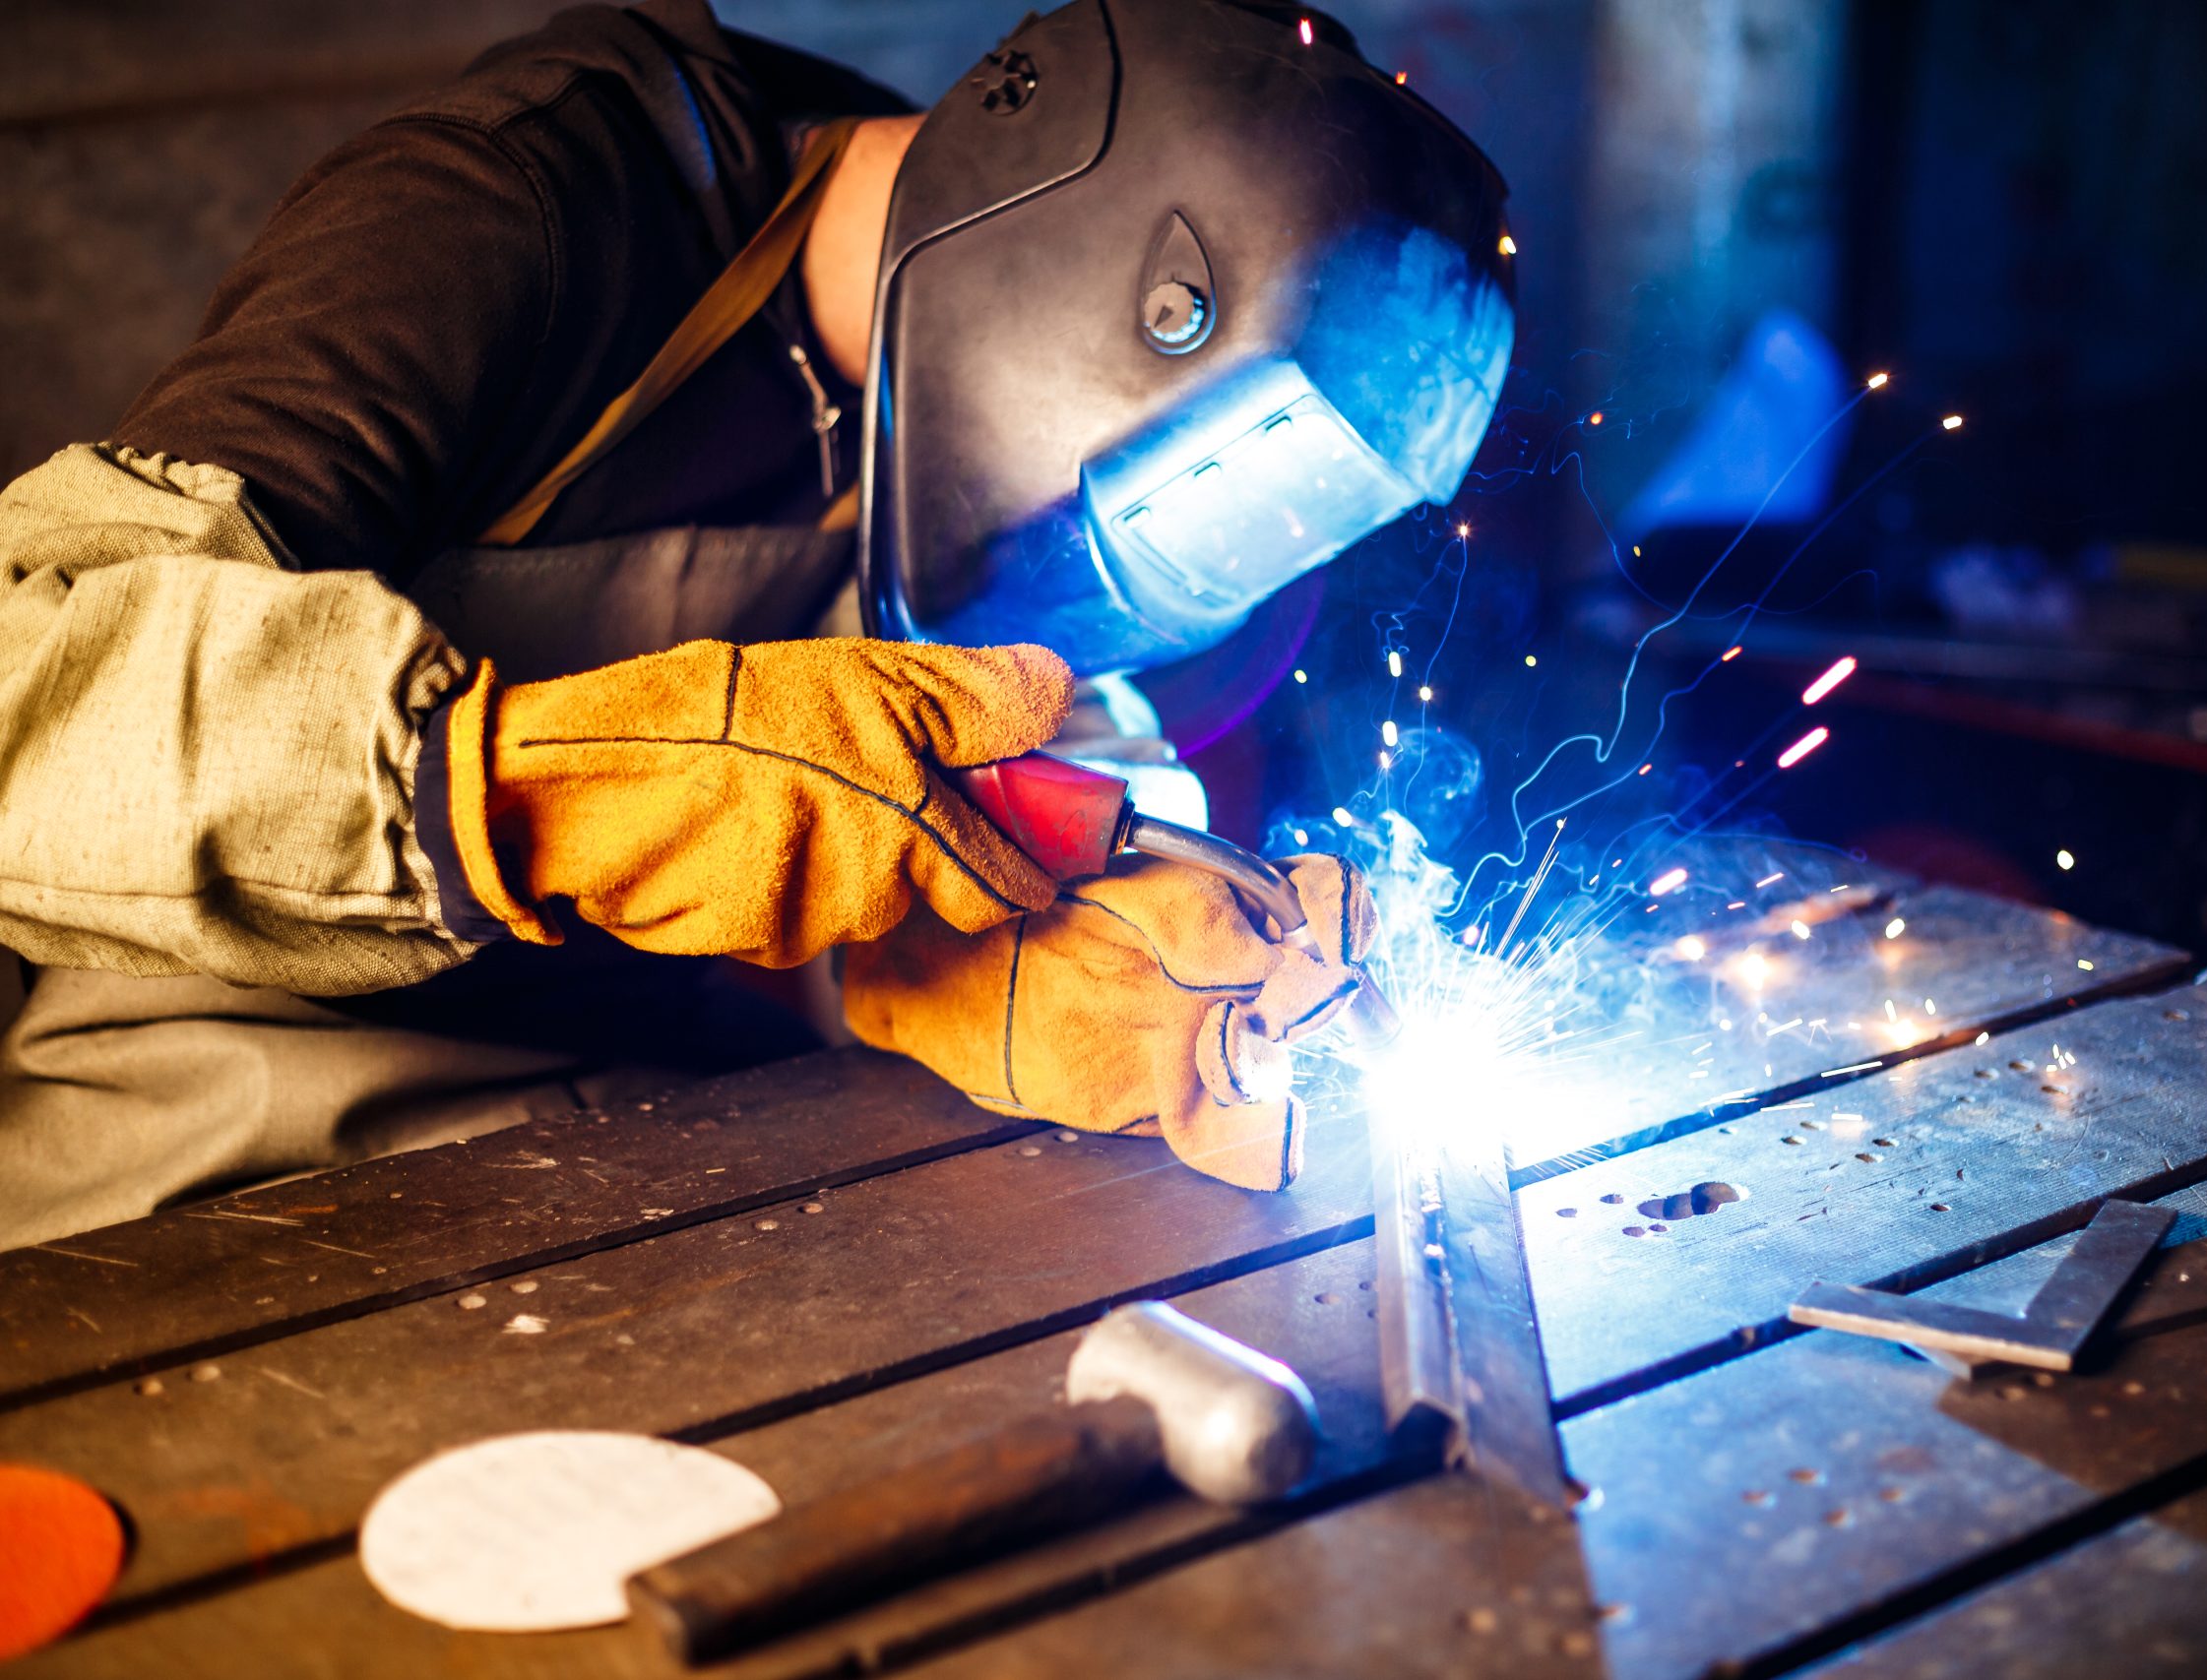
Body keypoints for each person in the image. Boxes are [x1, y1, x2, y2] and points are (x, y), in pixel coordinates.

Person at [0, 0, 1512, 1249]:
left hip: (624, 1174)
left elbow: (1031, 745)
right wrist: (521, 791)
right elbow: (29, 684)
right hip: (200, 1195)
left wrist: (994, 940)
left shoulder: (1037, 448)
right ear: (1128, 293)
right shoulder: (523, 212)